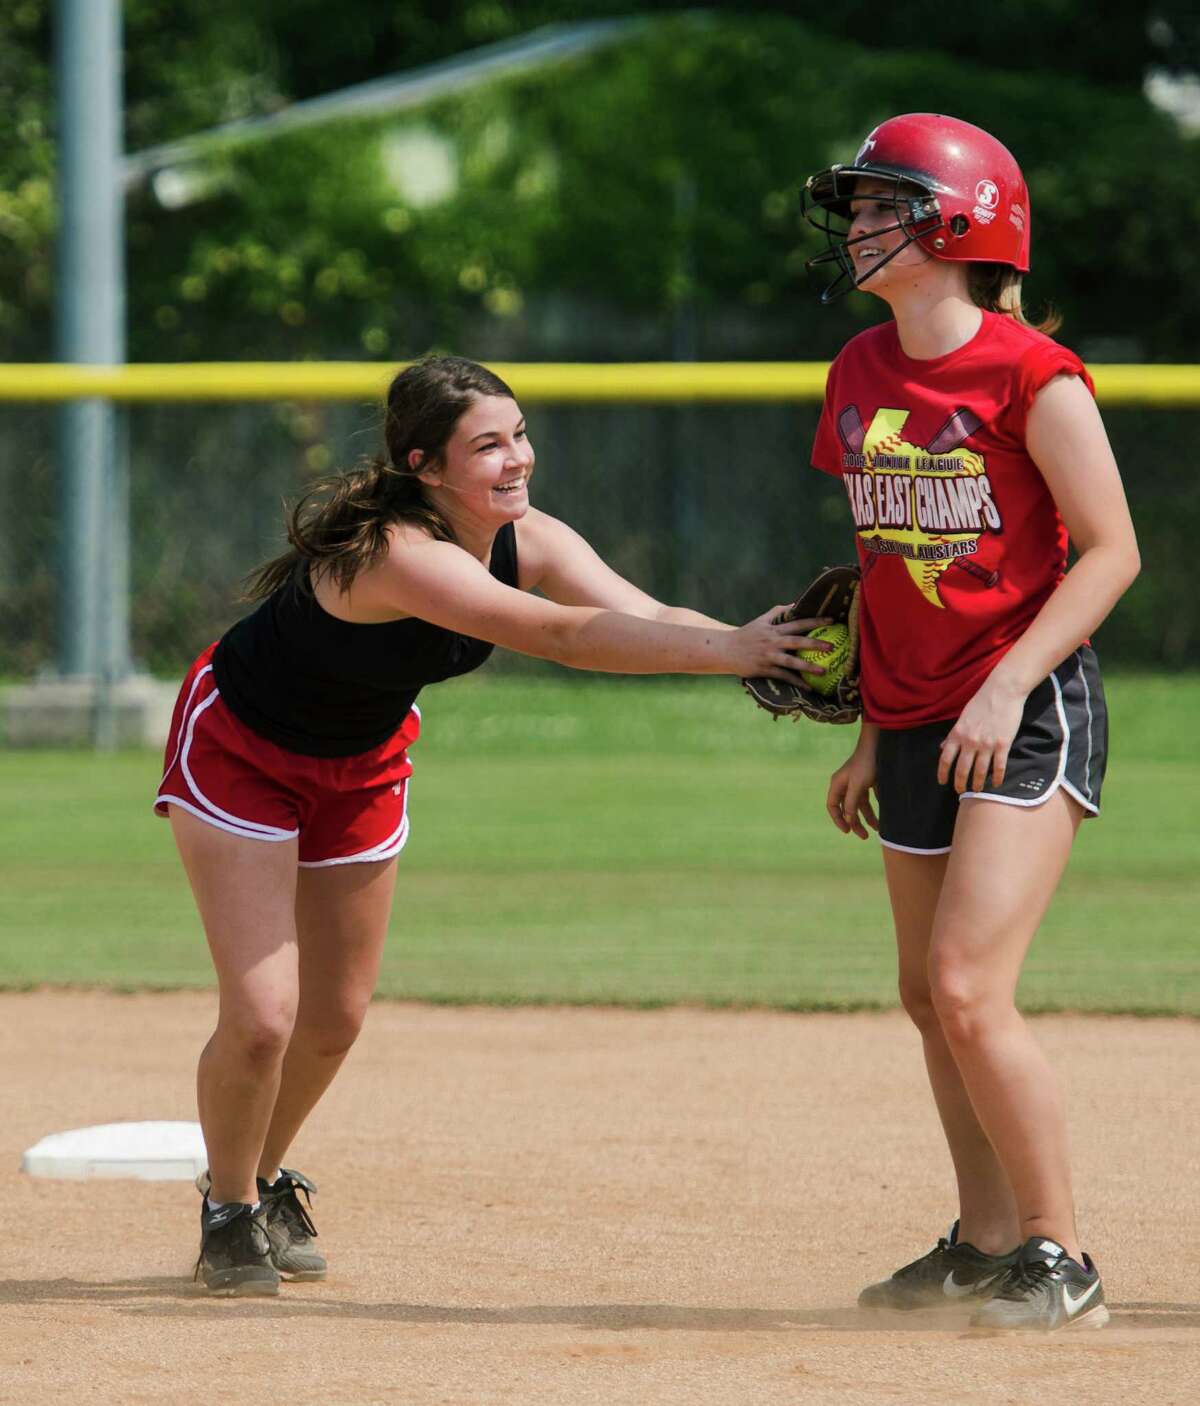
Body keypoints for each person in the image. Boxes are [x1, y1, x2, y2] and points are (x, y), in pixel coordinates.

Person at [155, 354, 830, 1296]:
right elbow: (561, 636)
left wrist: (765, 646)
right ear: (426, 468)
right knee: (266, 1017)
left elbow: (639, 612)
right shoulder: (401, 553)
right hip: (243, 749)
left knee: (334, 1019)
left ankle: (260, 1181)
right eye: (488, 445)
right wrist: (732, 652)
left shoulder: (531, 537)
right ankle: (227, 1211)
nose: (517, 459)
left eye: (520, 435)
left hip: (362, 761)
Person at [801, 114, 1139, 1331]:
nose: (856, 224)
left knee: (966, 981)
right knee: (922, 987)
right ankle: (987, 1238)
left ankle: (1063, 1252)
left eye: (881, 203)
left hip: (1027, 701)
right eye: (856, 206)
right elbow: (885, 558)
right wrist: (861, 728)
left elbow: (1111, 553)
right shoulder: (857, 370)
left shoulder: (1028, 373)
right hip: (908, 712)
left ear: (956, 221)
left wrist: (1005, 685)